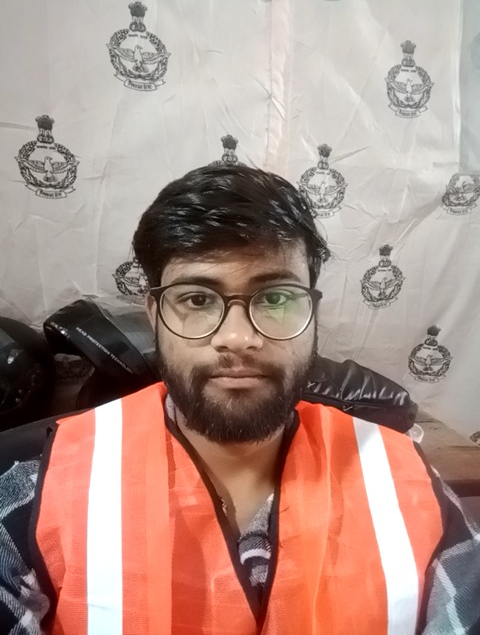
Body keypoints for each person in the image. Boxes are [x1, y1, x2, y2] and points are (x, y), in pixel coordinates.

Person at [0, 165, 479, 634]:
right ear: (155, 314)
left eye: (275, 298)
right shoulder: (37, 492)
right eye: (197, 299)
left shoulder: (403, 479)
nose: (237, 338)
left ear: (311, 311)